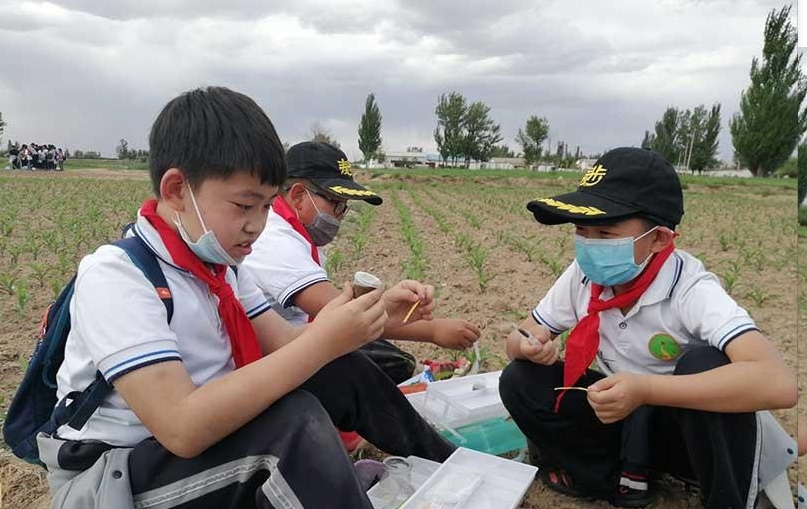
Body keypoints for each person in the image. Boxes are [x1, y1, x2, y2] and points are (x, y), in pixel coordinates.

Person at [37, 86, 454, 509]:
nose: (257, 225)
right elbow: (181, 426)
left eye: (267, 207)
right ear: (177, 189)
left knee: (340, 369)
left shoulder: (222, 269)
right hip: (114, 474)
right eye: (243, 205)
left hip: (196, 448)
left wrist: (372, 312)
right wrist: (323, 340)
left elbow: (287, 344)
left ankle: (453, 466)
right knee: (290, 427)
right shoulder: (119, 275)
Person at [498, 147, 797, 509]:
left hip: (689, 435)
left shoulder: (689, 288)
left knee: (705, 362)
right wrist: (527, 345)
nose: (588, 245)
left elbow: (778, 383)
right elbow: (520, 337)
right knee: (519, 379)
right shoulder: (584, 277)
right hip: (626, 418)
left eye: (605, 233)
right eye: (580, 230)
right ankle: (610, 479)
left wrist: (647, 389)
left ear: (659, 239)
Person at [242, 141, 481, 386]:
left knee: (382, 354)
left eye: (344, 207)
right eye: (336, 203)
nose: (340, 216)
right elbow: (345, 315)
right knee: (368, 363)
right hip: (273, 363)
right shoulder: (275, 240)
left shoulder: (299, 233)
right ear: (299, 196)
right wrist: (433, 330)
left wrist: (391, 306)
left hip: (299, 341)